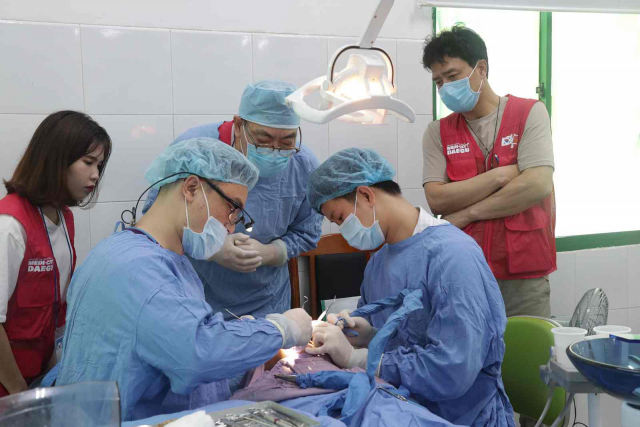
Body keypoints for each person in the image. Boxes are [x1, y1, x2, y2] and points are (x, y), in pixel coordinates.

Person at [56, 138, 313, 421]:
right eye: (233, 209)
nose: (231, 227)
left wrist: (238, 331)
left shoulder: (133, 252)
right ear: (191, 188)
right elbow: (197, 353)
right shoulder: (141, 270)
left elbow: (172, 331)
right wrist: (279, 329)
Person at [304, 148, 514, 427]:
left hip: (460, 416)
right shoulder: (378, 264)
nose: (343, 230)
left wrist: (361, 359)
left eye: (341, 218)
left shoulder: (453, 255)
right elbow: (404, 338)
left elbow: (453, 369)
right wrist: (369, 336)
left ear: (366, 195)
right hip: (398, 407)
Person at [144, 80, 323, 319]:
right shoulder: (195, 150)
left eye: (286, 142)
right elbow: (155, 222)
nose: (274, 150)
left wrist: (271, 253)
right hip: (197, 300)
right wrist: (212, 250)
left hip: (267, 304)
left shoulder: (303, 165)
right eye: (264, 138)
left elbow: (307, 231)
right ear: (239, 125)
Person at [421, 25, 556, 318]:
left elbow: (537, 185)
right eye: (438, 81)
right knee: (467, 347)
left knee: (527, 345)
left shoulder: (529, 113)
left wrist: (468, 213)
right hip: (464, 273)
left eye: (452, 76)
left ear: (481, 69)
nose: (445, 87)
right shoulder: (437, 132)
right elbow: (437, 200)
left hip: (523, 277)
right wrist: (500, 176)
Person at [0, 111, 112, 397]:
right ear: (56, 159)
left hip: (35, 378)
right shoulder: (10, 225)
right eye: (88, 162)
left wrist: (54, 380)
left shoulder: (63, 219)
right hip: (9, 387)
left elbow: (52, 314)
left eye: (99, 165)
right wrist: (19, 394)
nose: (95, 174)